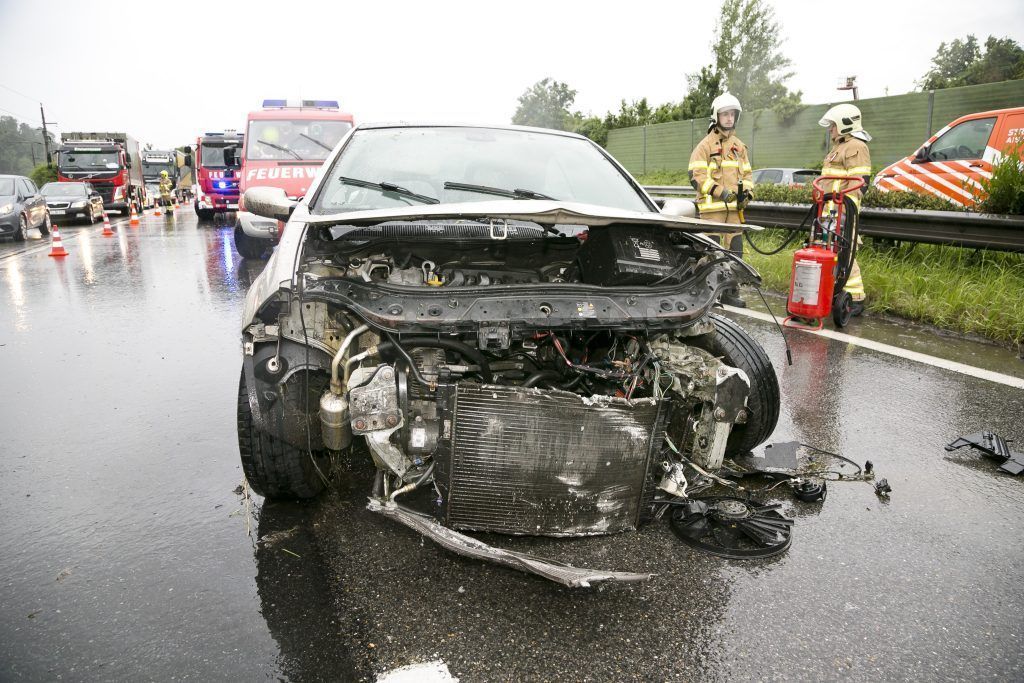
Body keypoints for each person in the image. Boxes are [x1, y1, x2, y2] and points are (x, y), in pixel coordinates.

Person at [688, 92, 754, 307]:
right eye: (724, 114)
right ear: (716, 116)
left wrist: (748, 194)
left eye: (732, 114)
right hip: (711, 212)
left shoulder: (739, 147)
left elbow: (748, 176)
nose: (728, 118)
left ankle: (730, 292)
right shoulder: (705, 146)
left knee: (735, 251)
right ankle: (707, 292)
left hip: (734, 213)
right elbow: (696, 177)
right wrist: (719, 191)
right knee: (712, 253)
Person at [818, 103, 872, 316]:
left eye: (833, 125)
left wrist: (844, 206)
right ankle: (837, 291)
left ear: (844, 124)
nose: (830, 128)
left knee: (845, 252)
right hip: (830, 209)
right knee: (831, 251)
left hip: (842, 210)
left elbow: (859, 182)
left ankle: (856, 298)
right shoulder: (839, 147)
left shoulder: (856, 147)